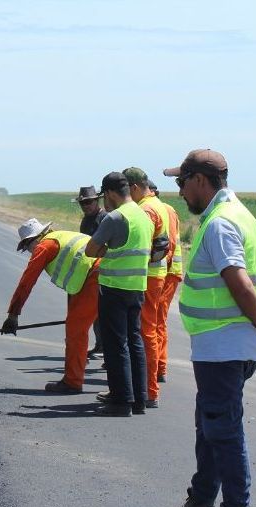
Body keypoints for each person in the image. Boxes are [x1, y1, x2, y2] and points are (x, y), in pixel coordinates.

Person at [162, 149, 256, 507]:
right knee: (211, 427)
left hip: (224, 344)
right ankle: (201, 503)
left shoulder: (219, 223)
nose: (179, 191)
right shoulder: (241, 215)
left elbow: (239, 281)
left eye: (182, 182)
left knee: (224, 431)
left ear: (200, 180)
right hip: (229, 343)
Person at [2, 218, 99, 393]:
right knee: (117, 329)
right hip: (105, 273)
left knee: (76, 329)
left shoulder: (44, 247)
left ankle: (72, 382)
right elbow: (75, 277)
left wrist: (13, 315)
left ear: (34, 239)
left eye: (27, 247)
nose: (30, 251)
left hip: (94, 277)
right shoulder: (61, 237)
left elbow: (26, 282)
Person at [84, 172, 153, 416]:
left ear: (111, 193)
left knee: (116, 345)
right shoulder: (143, 216)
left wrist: (105, 247)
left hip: (114, 287)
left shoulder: (115, 217)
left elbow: (91, 250)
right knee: (135, 342)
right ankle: (139, 398)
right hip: (137, 287)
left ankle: (121, 400)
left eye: (105, 197)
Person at [122, 168, 170, 408]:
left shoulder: (147, 210)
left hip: (148, 277)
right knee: (148, 330)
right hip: (155, 276)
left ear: (132, 188)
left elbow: (143, 246)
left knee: (145, 332)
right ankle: (147, 388)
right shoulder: (157, 205)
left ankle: (149, 391)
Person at [150, 179, 183, 384]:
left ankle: (159, 367)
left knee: (157, 321)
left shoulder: (164, 210)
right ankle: (157, 366)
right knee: (155, 320)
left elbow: (167, 245)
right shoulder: (162, 209)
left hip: (168, 273)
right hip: (166, 271)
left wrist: (163, 268)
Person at [73, 186, 106, 358]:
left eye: (88, 202)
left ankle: (106, 348)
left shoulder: (104, 218)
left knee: (102, 314)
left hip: (102, 269)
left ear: (97, 201)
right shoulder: (85, 221)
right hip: (88, 269)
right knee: (94, 314)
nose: (85, 206)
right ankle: (100, 344)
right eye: (82, 203)